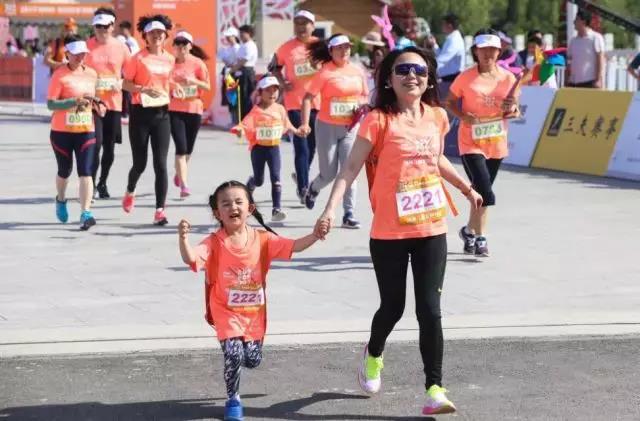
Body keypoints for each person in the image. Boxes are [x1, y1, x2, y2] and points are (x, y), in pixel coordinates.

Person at [314, 46, 483, 416]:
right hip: (389, 231)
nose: (412, 76)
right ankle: (373, 353)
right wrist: (329, 209)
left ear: (429, 79)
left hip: (431, 225)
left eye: (420, 71)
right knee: (393, 306)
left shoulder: (438, 117)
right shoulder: (377, 120)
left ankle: (434, 388)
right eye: (403, 70)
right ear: (389, 79)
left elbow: (436, 158)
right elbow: (350, 168)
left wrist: (466, 187)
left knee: (430, 310)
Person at [177, 180, 322, 421]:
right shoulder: (213, 242)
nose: (232, 206)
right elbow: (191, 258)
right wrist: (183, 239)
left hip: (253, 314)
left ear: (250, 208)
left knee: (252, 360)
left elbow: (294, 246)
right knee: (233, 354)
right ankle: (233, 399)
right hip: (225, 312)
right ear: (217, 213)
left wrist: (315, 235)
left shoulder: (263, 239)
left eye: (238, 201)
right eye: (225, 203)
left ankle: (242, 363)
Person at [445, 29, 520, 257]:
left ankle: (468, 231)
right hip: (471, 142)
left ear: (499, 52)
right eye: (483, 49)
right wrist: (463, 115)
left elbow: (514, 111)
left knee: (481, 191)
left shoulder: (508, 79)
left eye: (493, 49)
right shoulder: (465, 77)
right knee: (485, 189)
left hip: (496, 142)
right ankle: (480, 238)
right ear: (475, 52)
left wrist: (511, 110)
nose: (488, 53)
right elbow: (449, 102)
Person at [299, 34, 369, 229]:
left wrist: (361, 106)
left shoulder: (357, 71)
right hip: (327, 127)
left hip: (350, 127)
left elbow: (364, 95)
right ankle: (313, 189)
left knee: (349, 169)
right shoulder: (324, 72)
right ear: (331, 51)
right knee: (328, 174)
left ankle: (349, 213)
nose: (344, 51)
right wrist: (305, 123)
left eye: (347, 47)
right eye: (339, 47)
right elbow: (307, 98)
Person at [47, 35, 106, 231]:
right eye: (76, 54)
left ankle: (86, 212)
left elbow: (95, 97)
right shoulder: (59, 75)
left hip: (85, 129)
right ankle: (61, 199)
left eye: (83, 54)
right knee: (65, 171)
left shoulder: (91, 74)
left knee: (86, 171)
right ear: (67, 54)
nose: (81, 57)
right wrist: (73, 101)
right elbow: (50, 104)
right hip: (61, 131)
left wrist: (100, 105)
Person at [121, 14, 176, 226]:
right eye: (152, 33)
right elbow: (125, 84)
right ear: (145, 35)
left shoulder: (170, 59)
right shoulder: (138, 58)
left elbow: (170, 82)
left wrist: (176, 88)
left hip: (162, 114)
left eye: (160, 33)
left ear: (166, 35)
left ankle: (160, 211)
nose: (156, 36)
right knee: (140, 163)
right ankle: (130, 190)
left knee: (161, 164)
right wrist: (143, 89)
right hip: (140, 113)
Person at [233, 75, 305, 222]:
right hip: (258, 149)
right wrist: (239, 129)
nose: (272, 93)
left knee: (276, 178)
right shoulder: (256, 111)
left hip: (274, 149)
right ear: (260, 92)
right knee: (259, 180)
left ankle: (276, 210)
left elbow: (287, 124)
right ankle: (251, 183)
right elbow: (245, 124)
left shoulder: (280, 109)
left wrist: (297, 131)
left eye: (275, 90)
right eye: (268, 91)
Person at [272, 10, 320, 203]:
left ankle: (302, 175)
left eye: (305, 23)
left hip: (318, 103)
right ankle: (303, 187)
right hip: (294, 103)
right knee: (301, 147)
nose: (301, 26)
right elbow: (274, 67)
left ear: (313, 26)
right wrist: (282, 83)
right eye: (298, 23)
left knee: (312, 146)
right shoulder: (285, 48)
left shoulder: (320, 46)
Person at [86, 7, 131, 199]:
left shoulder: (121, 48)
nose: (102, 29)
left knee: (109, 148)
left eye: (106, 26)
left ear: (113, 26)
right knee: (94, 146)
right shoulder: (86, 47)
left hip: (113, 104)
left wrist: (120, 83)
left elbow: (130, 74)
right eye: (98, 26)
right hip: (92, 105)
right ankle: (92, 185)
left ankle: (102, 182)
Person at [169, 30, 210, 198]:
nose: (181, 47)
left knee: (188, 150)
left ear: (190, 46)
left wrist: (192, 81)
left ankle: (180, 173)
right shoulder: (169, 64)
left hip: (194, 109)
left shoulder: (198, 63)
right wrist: (173, 85)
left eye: (184, 44)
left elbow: (207, 86)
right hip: (174, 110)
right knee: (181, 147)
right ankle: (184, 185)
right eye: (177, 44)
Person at [566, 9, 605, 89]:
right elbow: (569, 61)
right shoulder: (573, 41)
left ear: (583, 21)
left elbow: (600, 59)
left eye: (576, 20)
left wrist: (598, 80)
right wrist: (567, 78)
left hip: (590, 83)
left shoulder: (596, 38)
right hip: (574, 83)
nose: (574, 22)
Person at [435, 13, 465, 100]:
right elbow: (443, 56)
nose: (442, 26)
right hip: (447, 79)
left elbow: (443, 59)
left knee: (446, 107)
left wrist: (427, 67)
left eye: (443, 24)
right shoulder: (451, 38)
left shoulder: (455, 39)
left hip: (451, 80)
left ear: (449, 25)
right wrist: (434, 46)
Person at [231, 25, 258, 120]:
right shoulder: (243, 45)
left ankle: (247, 119)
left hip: (247, 73)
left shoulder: (250, 45)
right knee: (240, 97)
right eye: (240, 33)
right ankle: (241, 119)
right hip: (240, 73)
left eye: (243, 33)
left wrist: (232, 70)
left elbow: (243, 61)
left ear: (249, 33)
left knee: (246, 97)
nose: (241, 35)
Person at [218, 27, 241, 125]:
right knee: (230, 98)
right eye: (226, 37)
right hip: (228, 75)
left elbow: (238, 63)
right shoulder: (227, 49)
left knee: (235, 98)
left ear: (234, 36)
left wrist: (231, 66)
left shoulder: (238, 48)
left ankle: (237, 120)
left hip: (235, 75)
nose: (227, 39)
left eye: (229, 37)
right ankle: (233, 120)